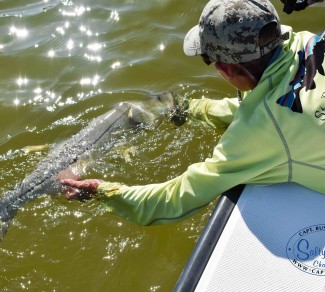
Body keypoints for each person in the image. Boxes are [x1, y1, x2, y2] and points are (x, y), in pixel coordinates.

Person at [62, 0, 325, 225]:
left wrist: (103, 192)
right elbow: (278, 105)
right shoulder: (311, 41)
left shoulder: (259, 131)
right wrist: (189, 108)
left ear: (225, 69)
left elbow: (176, 199)